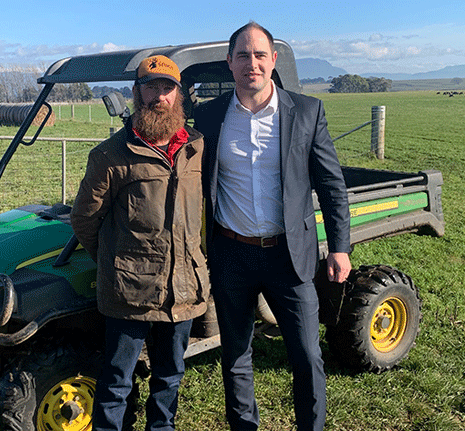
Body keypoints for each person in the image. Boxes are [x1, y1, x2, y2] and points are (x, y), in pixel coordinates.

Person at [193, 22, 352, 431]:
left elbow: (331, 185)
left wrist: (340, 247)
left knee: (307, 355)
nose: (252, 64)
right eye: (243, 55)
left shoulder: (307, 111)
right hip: (231, 254)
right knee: (235, 356)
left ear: (273, 61)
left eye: (260, 55)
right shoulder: (209, 117)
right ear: (230, 63)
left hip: (290, 255)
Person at [71, 55, 209, 431]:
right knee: (116, 381)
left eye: (167, 88)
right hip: (129, 295)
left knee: (170, 376)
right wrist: (117, 264)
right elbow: (84, 219)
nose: (159, 96)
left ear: (179, 96)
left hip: (182, 289)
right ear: (136, 93)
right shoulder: (110, 156)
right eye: (151, 87)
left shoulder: (196, 148)